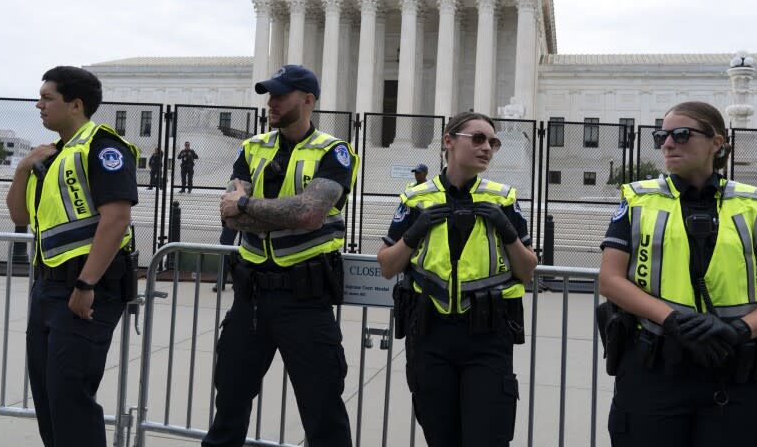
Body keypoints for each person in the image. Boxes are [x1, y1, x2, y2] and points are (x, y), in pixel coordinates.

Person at [598, 101, 757, 447]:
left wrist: (740, 329)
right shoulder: (637, 200)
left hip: (734, 370)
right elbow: (610, 279)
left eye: (681, 134)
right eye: (661, 135)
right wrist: (672, 320)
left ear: (717, 142)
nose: (668, 143)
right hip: (655, 368)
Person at [204, 65, 358, 447]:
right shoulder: (252, 148)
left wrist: (247, 204)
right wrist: (262, 210)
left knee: (322, 412)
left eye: (280, 95)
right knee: (229, 403)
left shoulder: (334, 152)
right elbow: (230, 217)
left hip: (305, 300)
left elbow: (311, 213)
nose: (271, 103)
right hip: (251, 298)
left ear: (307, 101)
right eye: (269, 95)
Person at [377, 111, 537, 447]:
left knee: (487, 437)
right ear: (448, 141)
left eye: (493, 142)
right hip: (430, 335)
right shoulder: (416, 198)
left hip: (488, 336)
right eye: (478, 139)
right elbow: (388, 266)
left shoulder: (503, 198)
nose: (487, 148)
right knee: (441, 436)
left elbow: (526, 270)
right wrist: (415, 231)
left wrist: (508, 231)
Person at [5, 66, 139, 447]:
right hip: (48, 288)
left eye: (47, 98)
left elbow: (116, 220)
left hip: (85, 290)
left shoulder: (103, 147)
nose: (39, 104)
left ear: (75, 104)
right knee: (48, 396)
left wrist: (85, 284)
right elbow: (20, 216)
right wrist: (21, 170)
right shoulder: (50, 156)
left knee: (69, 396)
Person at [212, 225, 237, 293]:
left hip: (248, 219)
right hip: (233, 219)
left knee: (244, 245)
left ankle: (238, 281)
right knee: (225, 242)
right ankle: (221, 281)